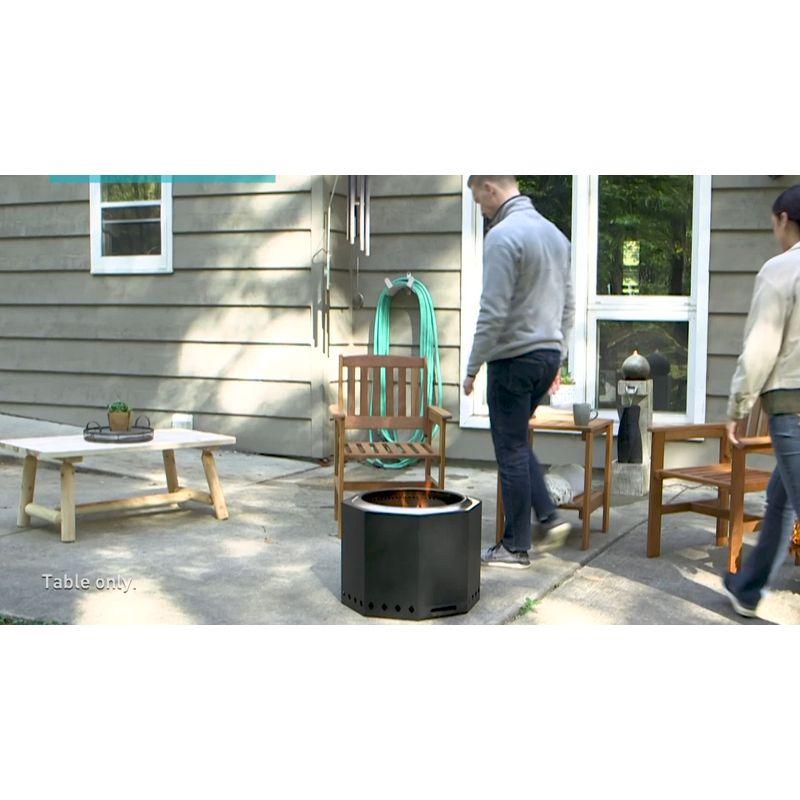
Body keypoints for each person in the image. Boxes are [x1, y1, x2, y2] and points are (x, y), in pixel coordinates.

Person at [463, 176, 575, 569]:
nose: (481, 210)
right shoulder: (557, 237)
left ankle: (515, 546)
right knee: (517, 441)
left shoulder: (503, 236)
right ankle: (547, 515)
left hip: (512, 360)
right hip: (545, 358)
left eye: (479, 200)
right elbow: (569, 307)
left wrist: (472, 367)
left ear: (489, 187)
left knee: (508, 448)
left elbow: (492, 312)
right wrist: (558, 357)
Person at [722, 184, 800, 617]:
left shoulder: (781, 269)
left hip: (793, 407)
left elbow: (761, 347)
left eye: (774, 222)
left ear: (784, 219)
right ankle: (748, 589)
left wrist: (737, 407)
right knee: (781, 497)